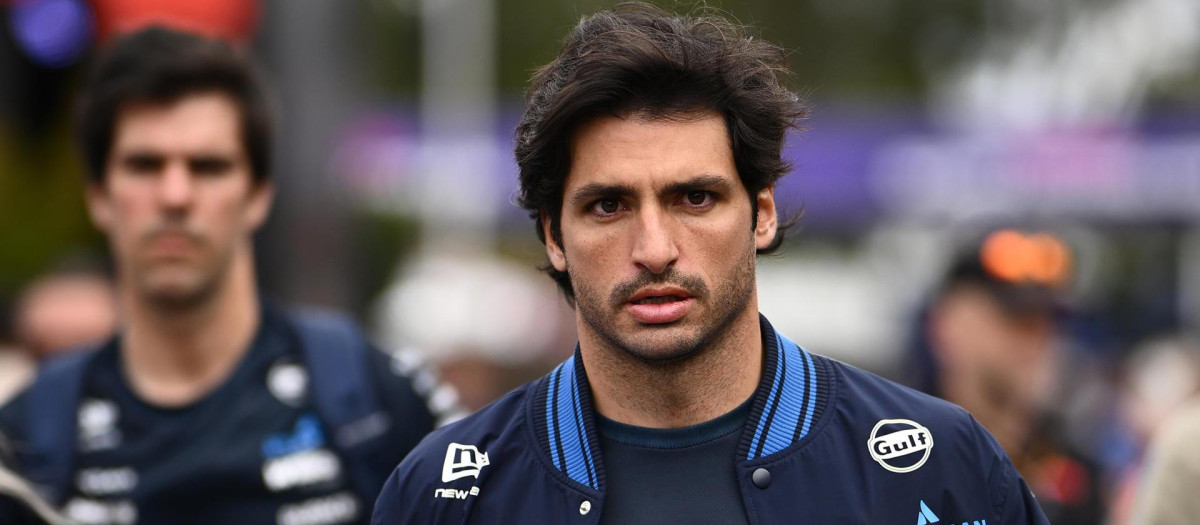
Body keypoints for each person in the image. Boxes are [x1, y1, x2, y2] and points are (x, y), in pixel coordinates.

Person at [372, 4, 1048, 524]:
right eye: (608, 205)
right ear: (553, 235)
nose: (655, 246)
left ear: (762, 213)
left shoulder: (938, 463)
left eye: (694, 197)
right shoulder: (444, 491)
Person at [0, 26, 458, 524]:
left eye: (208, 166)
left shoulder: (385, 399)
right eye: (145, 165)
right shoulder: (25, 438)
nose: (175, 195)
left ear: (259, 194)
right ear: (99, 195)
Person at [919, 230, 1104, 524]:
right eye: (1017, 319)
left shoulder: (1077, 475)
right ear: (947, 326)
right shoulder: (894, 459)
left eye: (1049, 321)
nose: (1039, 339)